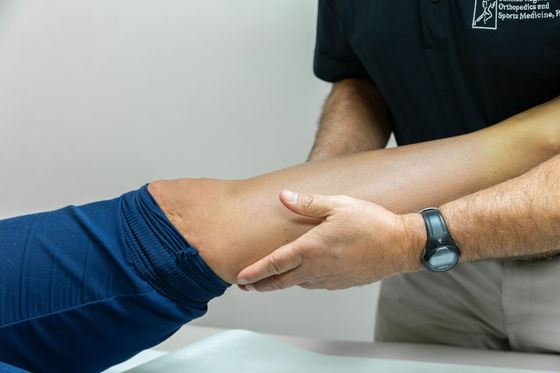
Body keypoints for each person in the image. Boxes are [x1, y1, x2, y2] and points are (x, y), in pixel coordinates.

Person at [1, 96, 559, 372]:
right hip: (428, 263)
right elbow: (359, 77)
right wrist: (332, 195)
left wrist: (416, 234)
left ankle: (524, 139)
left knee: (187, 221)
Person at [236, 0, 560, 353]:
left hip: (440, 242)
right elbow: (362, 79)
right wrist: (319, 195)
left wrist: (410, 241)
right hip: (431, 269)